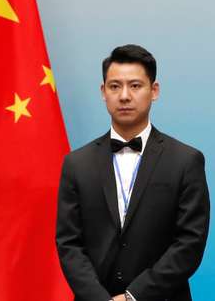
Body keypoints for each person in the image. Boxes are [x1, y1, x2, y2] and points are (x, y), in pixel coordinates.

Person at [56, 44, 210, 301]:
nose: (125, 95)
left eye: (135, 85)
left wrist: (133, 296)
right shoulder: (76, 164)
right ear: (103, 92)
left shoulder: (186, 161)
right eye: (115, 86)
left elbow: (189, 243)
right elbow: (69, 244)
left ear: (154, 90)